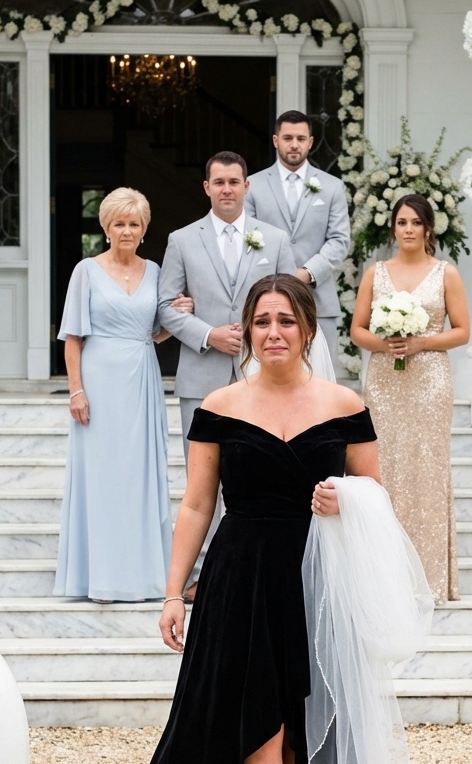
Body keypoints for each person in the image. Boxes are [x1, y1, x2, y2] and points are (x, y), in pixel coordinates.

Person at [119, 275, 380, 764]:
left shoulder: (346, 404)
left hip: (317, 578)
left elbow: (376, 496)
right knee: (258, 732)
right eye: (262, 321)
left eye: (286, 321)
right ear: (247, 329)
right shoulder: (221, 404)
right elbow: (196, 504)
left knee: (305, 730)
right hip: (240, 579)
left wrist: (345, 501)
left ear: (308, 329)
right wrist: (173, 592)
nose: (273, 332)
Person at [158, 151, 295, 597]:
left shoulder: (274, 239)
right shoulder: (182, 240)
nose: (227, 189)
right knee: (202, 482)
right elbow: (164, 307)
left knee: (264, 473)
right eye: (219, 182)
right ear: (207, 188)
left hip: (264, 377)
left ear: (247, 186)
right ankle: (204, 573)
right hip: (202, 376)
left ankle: (261, 565)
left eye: (235, 181)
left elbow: (293, 303)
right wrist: (208, 334)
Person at [54, 187, 192, 603]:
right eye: (119, 224)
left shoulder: (155, 271)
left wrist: (179, 316)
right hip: (99, 380)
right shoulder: (86, 271)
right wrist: (76, 390)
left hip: (142, 378)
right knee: (102, 477)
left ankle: (146, 577)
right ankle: (102, 578)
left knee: (140, 476)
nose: (127, 231)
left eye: (134, 224)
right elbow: (73, 338)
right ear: (106, 228)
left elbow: (154, 331)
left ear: (144, 229)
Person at [349, 193, 471, 605]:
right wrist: (386, 345)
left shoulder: (446, 274)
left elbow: (462, 331)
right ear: (393, 228)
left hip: (430, 382)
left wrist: (421, 343)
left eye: (416, 222)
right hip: (385, 382)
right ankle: (383, 577)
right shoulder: (376, 273)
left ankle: (430, 578)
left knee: (426, 469)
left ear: (428, 229)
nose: (408, 229)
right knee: (384, 467)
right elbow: (358, 330)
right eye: (402, 222)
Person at [245, 109, 350, 378]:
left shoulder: (332, 186)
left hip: (318, 301)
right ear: (275, 140)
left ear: (310, 142)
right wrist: (276, 279)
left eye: (301, 139)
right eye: (288, 138)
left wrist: (306, 274)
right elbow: (248, 238)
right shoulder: (252, 185)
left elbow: (339, 240)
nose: (294, 144)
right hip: (266, 300)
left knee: (319, 381)